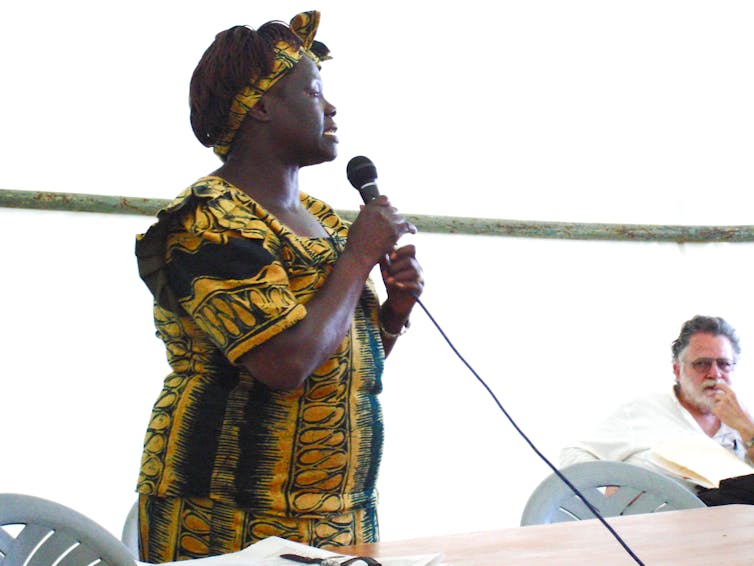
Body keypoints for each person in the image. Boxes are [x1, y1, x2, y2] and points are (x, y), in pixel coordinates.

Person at [134, 11, 424, 562]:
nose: (333, 109)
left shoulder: (319, 218)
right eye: (315, 92)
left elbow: (336, 364)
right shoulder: (210, 222)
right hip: (226, 513)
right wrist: (360, 257)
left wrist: (391, 317)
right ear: (263, 105)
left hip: (337, 509)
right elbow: (284, 365)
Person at [560, 315, 754, 497]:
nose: (714, 374)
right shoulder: (642, 412)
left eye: (724, 364)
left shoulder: (746, 419)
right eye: (702, 364)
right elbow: (572, 455)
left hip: (731, 529)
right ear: (677, 370)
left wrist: (747, 427)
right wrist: (612, 482)